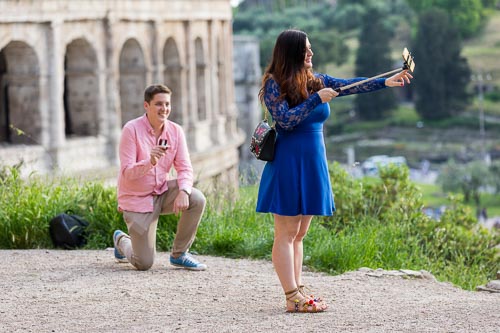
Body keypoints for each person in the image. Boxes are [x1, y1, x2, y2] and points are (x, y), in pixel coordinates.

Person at [256, 29, 413, 313]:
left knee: (300, 232)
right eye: (306, 50)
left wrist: (385, 82)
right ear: (291, 53)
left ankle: (298, 289)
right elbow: (286, 120)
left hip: (313, 160)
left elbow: (352, 85)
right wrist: (316, 100)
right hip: (289, 162)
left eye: (311, 48)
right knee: (286, 232)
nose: (311, 54)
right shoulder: (273, 83)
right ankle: (291, 296)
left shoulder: (317, 80)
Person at [113, 84, 207, 271]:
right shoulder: (131, 130)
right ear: (146, 106)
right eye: (158, 104)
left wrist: (183, 191)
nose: (164, 109)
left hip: (161, 191)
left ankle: (179, 254)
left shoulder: (175, 131)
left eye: (167, 104)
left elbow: (185, 168)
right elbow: (127, 173)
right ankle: (122, 241)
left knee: (196, 198)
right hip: (137, 199)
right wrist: (150, 161)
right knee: (144, 263)